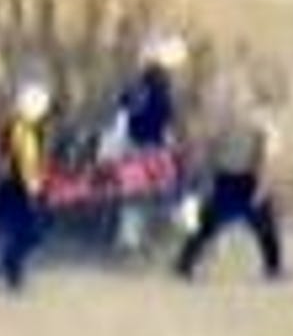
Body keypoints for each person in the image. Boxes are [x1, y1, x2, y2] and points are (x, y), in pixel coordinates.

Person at [175, 101, 284, 282]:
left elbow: (208, 153)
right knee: (265, 227)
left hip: (224, 180)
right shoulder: (263, 128)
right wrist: (261, 188)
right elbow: (266, 161)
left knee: (207, 226)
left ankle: (184, 264)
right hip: (245, 181)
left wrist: (204, 177)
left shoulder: (226, 125)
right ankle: (273, 269)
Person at [107, 34, 186, 252]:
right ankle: (182, 231)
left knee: (135, 195)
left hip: (134, 145)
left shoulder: (137, 85)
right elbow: (166, 119)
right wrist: (171, 142)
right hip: (153, 147)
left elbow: (122, 114)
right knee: (172, 191)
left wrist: (117, 144)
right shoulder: (161, 86)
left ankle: (128, 239)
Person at [0, 81, 53, 291]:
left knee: (27, 231)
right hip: (19, 187)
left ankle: (12, 268)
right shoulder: (21, 128)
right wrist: (34, 188)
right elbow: (23, 160)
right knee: (32, 231)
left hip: (17, 186)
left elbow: (30, 158)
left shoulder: (23, 126)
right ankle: (12, 268)